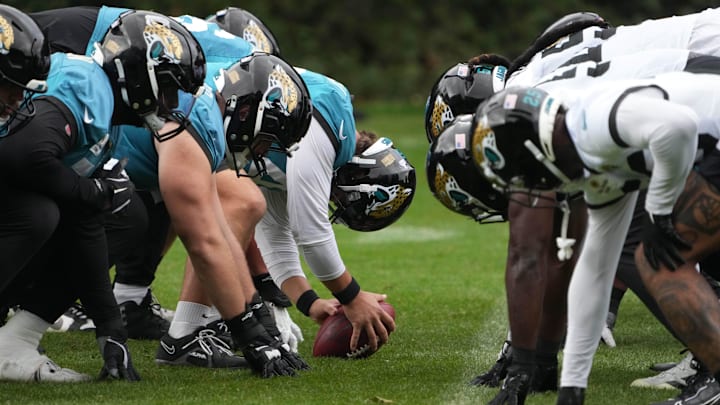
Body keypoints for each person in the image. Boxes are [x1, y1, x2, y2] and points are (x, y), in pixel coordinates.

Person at [471, 71, 720, 405]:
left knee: (659, 260)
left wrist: (659, 211)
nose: (535, 185)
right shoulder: (597, 168)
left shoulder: (593, 121)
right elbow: (595, 272)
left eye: (526, 173)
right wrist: (572, 389)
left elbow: (679, 125)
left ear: (536, 148)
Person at [0, 8, 207, 382]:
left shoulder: (102, 102)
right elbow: (24, 154)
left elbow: (88, 219)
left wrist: (112, 328)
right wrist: (89, 190)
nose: (171, 103)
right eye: (168, 88)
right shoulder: (86, 88)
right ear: (140, 76)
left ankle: (16, 339)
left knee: (121, 214)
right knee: (36, 214)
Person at [248, 67, 415, 353]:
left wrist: (310, 303)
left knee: (231, 210)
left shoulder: (290, 150)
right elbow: (310, 232)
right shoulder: (332, 117)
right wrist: (352, 296)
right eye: (340, 199)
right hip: (179, 109)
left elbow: (274, 234)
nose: (332, 199)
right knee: (218, 215)